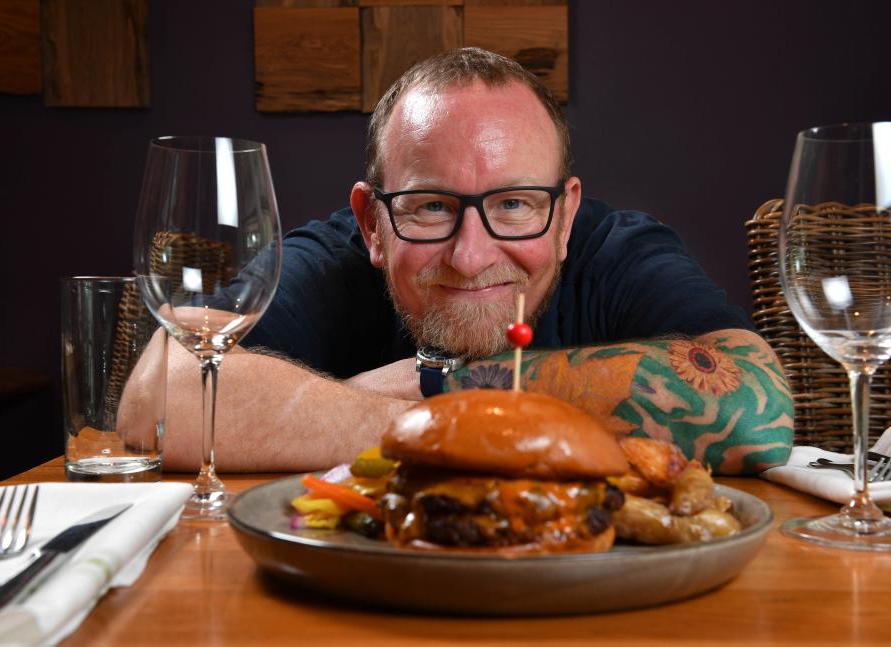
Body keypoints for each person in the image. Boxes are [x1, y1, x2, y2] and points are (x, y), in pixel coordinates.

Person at [160, 47, 793, 474]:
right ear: (371, 223)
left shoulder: (620, 253)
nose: (469, 255)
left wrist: (437, 391)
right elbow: (158, 396)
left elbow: (758, 412)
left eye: (514, 203)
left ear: (567, 215)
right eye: (430, 206)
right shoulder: (327, 264)